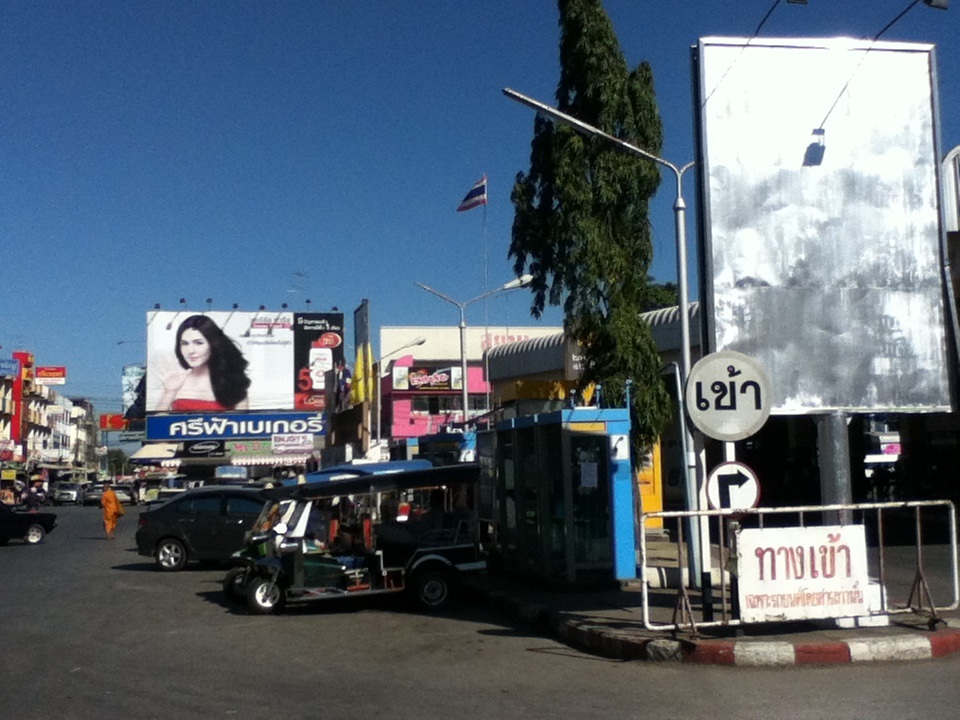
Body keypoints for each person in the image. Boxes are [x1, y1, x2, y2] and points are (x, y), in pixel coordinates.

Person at [157, 315, 251, 411]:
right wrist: (169, 392)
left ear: (213, 344)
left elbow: (242, 419)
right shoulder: (176, 382)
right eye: (185, 343)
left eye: (198, 343)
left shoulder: (233, 382)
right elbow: (158, 418)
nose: (190, 351)